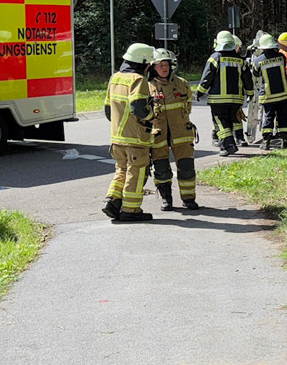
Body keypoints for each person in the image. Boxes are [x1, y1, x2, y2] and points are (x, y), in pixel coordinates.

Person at [103, 42, 158, 222]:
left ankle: (112, 200)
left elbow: (108, 111)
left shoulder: (115, 78)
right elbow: (139, 108)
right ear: (145, 63)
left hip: (117, 138)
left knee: (121, 169)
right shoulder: (138, 80)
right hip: (136, 139)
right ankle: (131, 209)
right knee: (137, 171)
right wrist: (152, 116)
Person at [149, 49, 199, 211]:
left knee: (186, 167)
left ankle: (189, 199)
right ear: (153, 67)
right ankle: (166, 199)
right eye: (160, 65)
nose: (164, 68)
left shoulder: (182, 84)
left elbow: (188, 106)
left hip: (182, 133)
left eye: (166, 65)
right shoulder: (147, 87)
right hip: (158, 135)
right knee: (161, 169)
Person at [195, 31, 252, 156]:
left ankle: (228, 145)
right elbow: (247, 79)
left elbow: (207, 77)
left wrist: (199, 92)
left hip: (218, 99)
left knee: (220, 122)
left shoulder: (215, 58)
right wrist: (250, 93)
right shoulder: (240, 60)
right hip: (236, 99)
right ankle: (229, 143)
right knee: (229, 122)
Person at [251, 32, 287, 149]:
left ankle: (266, 142)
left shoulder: (258, 60)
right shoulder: (281, 57)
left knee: (268, 117)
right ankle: (285, 140)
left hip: (268, 96)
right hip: (284, 94)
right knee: (283, 117)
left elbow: (255, 74)